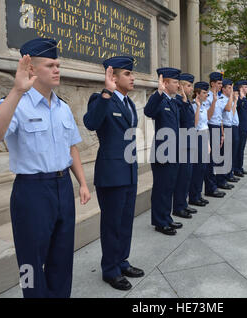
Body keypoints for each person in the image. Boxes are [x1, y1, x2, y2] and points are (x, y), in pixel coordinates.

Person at [0, 38, 91, 297]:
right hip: (32, 191)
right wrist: (17, 91)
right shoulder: (15, 103)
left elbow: (72, 148)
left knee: (62, 257)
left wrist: (83, 183)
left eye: (58, 65)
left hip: (63, 187)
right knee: (30, 261)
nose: (57, 70)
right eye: (50, 65)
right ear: (31, 69)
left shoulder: (63, 107)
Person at [83, 56, 144, 291]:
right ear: (113, 77)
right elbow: (91, 123)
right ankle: (110, 270)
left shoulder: (128, 103)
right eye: (127, 74)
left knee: (126, 220)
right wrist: (106, 93)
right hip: (111, 172)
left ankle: (122, 261)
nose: (133, 77)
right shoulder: (101, 99)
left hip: (129, 170)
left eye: (132, 74)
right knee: (112, 223)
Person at [144, 67, 183, 236]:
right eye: (175, 82)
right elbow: (148, 112)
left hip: (173, 151)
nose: (178, 85)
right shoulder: (160, 100)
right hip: (162, 153)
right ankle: (160, 222)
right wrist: (158, 93)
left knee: (169, 187)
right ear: (165, 83)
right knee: (161, 188)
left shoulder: (173, 102)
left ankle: (166, 218)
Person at [172, 73, 197, 219]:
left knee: (187, 176)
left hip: (189, 142)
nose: (191, 88)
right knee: (182, 177)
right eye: (188, 85)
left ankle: (184, 203)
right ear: (180, 86)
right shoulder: (177, 101)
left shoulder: (187, 101)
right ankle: (178, 207)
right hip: (182, 143)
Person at [204, 72, 227, 198]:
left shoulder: (217, 97)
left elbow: (220, 118)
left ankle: (214, 185)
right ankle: (210, 188)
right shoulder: (208, 97)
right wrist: (213, 101)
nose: (220, 86)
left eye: (221, 84)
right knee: (211, 160)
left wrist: (222, 134)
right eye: (218, 83)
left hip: (218, 128)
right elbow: (208, 116)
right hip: (210, 128)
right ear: (212, 83)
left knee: (216, 158)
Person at [188, 82, 211, 207]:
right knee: (197, 168)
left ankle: (198, 194)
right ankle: (193, 197)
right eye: (204, 93)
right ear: (197, 94)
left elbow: (205, 125)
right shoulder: (193, 106)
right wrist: (197, 107)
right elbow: (195, 124)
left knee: (202, 168)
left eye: (207, 92)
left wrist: (208, 143)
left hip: (203, 135)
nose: (206, 95)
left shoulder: (203, 106)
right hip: (196, 136)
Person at [214, 79, 236, 190]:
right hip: (224, 127)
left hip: (228, 126)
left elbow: (231, 114)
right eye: (229, 88)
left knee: (227, 155)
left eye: (231, 87)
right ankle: (221, 180)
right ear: (223, 89)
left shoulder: (227, 99)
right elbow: (227, 109)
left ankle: (225, 177)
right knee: (223, 155)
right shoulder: (222, 99)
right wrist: (232, 96)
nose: (231, 90)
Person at [234, 80, 247, 177]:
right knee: (238, 148)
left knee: (242, 148)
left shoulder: (244, 99)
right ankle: (236, 168)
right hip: (239, 127)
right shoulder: (239, 99)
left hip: (244, 127)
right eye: (246, 87)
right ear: (241, 88)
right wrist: (239, 98)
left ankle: (240, 167)